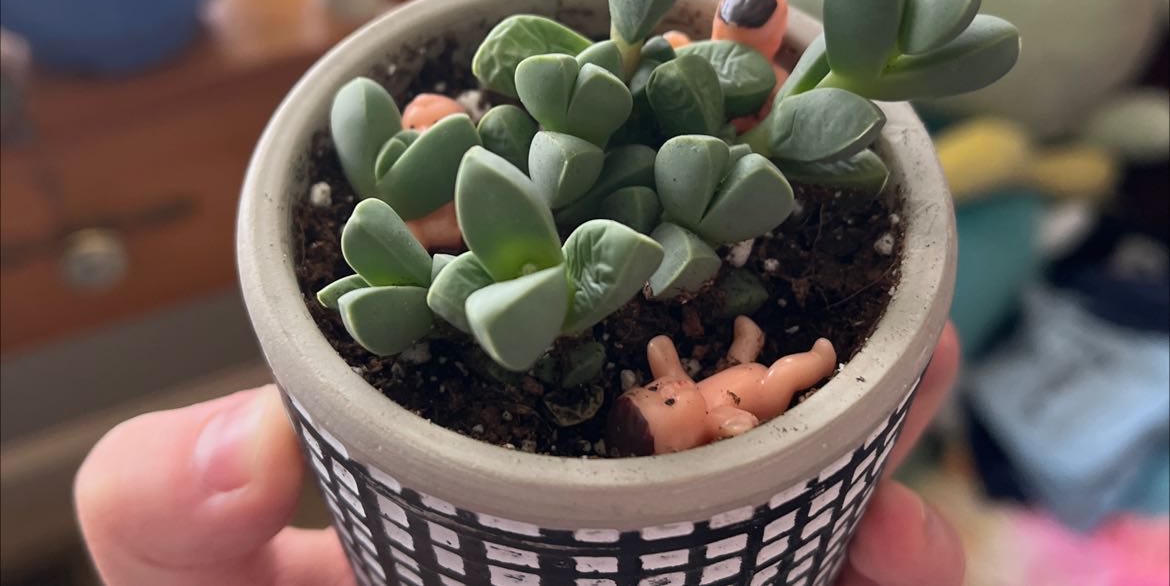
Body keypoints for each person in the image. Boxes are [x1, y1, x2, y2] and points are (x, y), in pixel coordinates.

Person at [74, 324, 965, 586]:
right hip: (747, 396)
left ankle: (807, 359)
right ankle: (809, 359)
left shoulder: (689, 396)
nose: (663, 390)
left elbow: (666, 359)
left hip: (744, 387)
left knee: (788, 373)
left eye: (660, 397)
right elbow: (681, 373)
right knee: (788, 376)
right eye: (660, 402)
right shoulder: (711, 415)